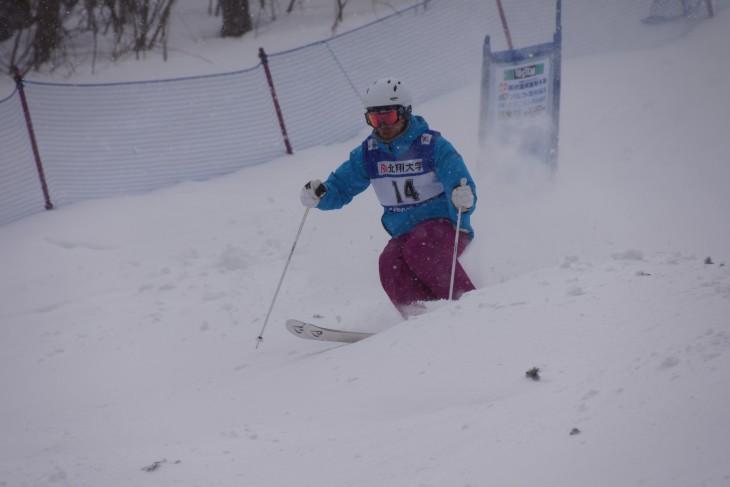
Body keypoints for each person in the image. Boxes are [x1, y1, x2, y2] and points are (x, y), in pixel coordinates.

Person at [300, 77, 477, 318]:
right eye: (375, 119)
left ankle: (468, 303)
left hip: (445, 226)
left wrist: (462, 198)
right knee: (389, 261)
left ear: (405, 113)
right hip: (404, 231)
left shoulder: (432, 145)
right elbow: (341, 187)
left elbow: (459, 181)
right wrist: (321, 195)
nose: (382, 125)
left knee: (420, 247)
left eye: (388, 117)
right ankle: (419, 315)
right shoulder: (370, 153)